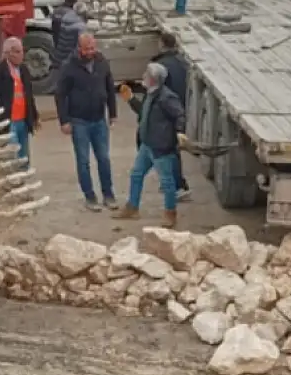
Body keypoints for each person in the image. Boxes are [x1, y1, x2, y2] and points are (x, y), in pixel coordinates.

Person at [115, 62, 187, 228]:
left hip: (161, 147)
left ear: (153, 79)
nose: (143, 77)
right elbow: (143, 112)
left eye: (146, 74)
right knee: (136, 174)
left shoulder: (166, 97)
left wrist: (180, 132)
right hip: (147, 145)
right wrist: (131, 100)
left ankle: (170, 214)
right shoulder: (151, 94)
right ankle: (132, 207)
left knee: (167, 182)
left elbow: (179, 115)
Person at [54, 32, 117, 210]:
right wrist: (64, 121)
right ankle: (90, 197)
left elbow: (110, 88)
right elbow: (60, 94)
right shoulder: (69, 67)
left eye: (93, 47)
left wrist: (112, 113)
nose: (91, 51)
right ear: (79, 48)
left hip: (99, 119)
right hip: (79, 121)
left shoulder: (101, 62)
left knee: (104, 158)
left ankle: (108, 194)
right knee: (83, 161)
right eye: (87, 48)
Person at [0, 36, 38, 167]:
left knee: (24, 157)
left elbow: (28, 95)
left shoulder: (24, 70)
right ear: (8, 53)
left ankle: (23, 181)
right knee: (12, 157)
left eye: (21, 51)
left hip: (22, 121)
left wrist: (34, 116)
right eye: (18, 52)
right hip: (7, 122)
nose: (21, 55)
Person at [152, 31, 192, 200]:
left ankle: (178, 185)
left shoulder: (160, 65)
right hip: (180, 108)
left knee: (168, 151)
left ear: (162, 44)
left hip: (165, 114)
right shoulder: (181, 62)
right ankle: (173, 183)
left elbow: (156, 92)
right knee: (172, 149)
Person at [50, 0, 88, 68]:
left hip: (59, 44)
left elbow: (53, 27)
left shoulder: (56, 11)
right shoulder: (71, 14)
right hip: (69, 49)